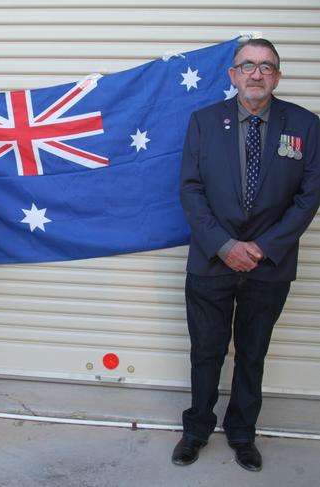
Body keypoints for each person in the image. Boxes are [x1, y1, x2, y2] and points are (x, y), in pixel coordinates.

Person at [174, 38, 320, 472]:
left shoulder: (306, 126)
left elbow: (309, 195)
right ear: (232, 74)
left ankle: (242, 433)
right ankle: (196, 429)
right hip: (211, 260)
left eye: (266, 66)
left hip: (269, 264)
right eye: (247, 65)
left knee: (252, 352)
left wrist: (262, 247)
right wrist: (225, 245)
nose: (256, 73)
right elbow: (190, 189)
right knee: (206, 351)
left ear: (277, 75)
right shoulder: (203, 122)